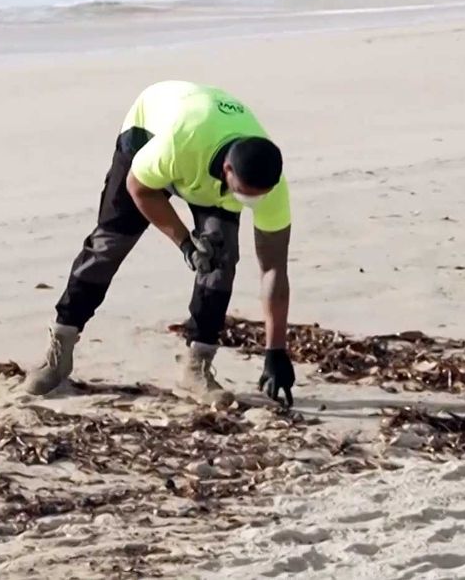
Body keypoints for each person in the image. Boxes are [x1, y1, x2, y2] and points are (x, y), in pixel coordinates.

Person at [25, 80, 296, 407]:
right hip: (150, 130)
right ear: (227, 171)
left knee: (220, 259)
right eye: (244, 193)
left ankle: (197, 368)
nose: (250, 201)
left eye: (257, 197)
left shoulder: (271, 189)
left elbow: (273, 270)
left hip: (209, 156)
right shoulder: (180, 143)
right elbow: (140, 188)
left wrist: (276, 351)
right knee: (110, 243)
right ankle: (59, 351)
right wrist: (184, 243)